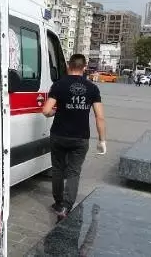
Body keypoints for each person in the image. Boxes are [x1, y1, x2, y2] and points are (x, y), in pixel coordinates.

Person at [42, 54, 106, 220]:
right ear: (84, 68)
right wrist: (102, 140)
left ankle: (58, 202)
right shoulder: (92, 88)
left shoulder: (59, 85)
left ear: (69, 66)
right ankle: (66, 207)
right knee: (73, 172)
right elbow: (100, 117)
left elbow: (46, 111)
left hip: (58, 135)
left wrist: (55, 111)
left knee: (57, 169)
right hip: (80, 137)